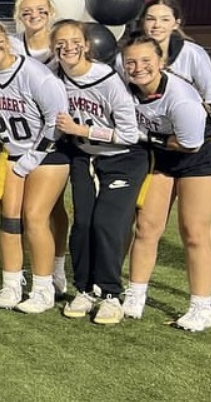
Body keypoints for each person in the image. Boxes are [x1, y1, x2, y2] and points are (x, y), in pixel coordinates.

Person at [120, 34, 211, 332]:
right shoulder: (126, 89)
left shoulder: (180, 97)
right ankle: (136, 296)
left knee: (194, 232)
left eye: (146, 61)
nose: (138, 68)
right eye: (131, 62)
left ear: (161, 63)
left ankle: (200, 307)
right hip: (162, 158)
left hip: (198, 158)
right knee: (147, 227)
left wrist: (145, 136)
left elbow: (189, 143)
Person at [0, 19, 69, 313]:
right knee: (9, 219)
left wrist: (29, 160)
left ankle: (43, 288)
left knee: (35, 217)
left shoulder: (36, 75)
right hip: (13, 154)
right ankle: (12, 283)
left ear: (7, 38)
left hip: (48, 153)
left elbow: (56, 123)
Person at [50, 20, 144, 324]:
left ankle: (111, 293)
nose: (68, 47)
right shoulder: (54, 76)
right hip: (84, 158)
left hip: (122, 158)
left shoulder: (106, 78)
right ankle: (84, 288)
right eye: (60, 42)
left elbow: (129, 134)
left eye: (75, 40)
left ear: (87, 45)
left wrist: (82, 129)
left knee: (107, 223)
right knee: (83, 224)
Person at [10, 0, 57, 64]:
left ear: (50, 11)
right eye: (27, 11)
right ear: (19, 15)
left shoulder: (61, 42)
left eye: (40, 9)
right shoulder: (11, 45)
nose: (34, 15)